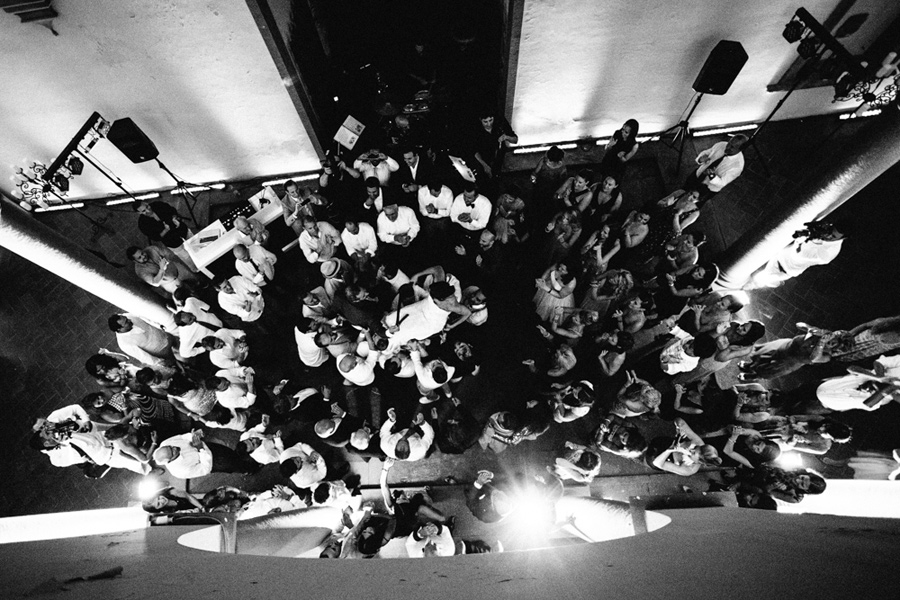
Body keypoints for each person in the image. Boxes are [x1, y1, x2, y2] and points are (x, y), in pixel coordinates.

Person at [749, 219, 851, 289]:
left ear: (843, 238)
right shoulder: (826, 228)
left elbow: (799, 254)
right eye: (829, 231)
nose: (828, 236)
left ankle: (759, 284)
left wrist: (806, 238)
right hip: (783, 254)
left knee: (762, 279)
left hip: (785, 268)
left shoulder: (826, 254)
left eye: (833, 236)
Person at [153, 429, 256, 479]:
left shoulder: (164, 443)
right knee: (234, 465)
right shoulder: (179, 471)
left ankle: (240, 457)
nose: (174, 447)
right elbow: (205, 469)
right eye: (173, 451)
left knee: (228, 452)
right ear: (169, 460)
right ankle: (250, 469)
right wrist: (200, 449)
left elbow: (181, 437)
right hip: (215, 462)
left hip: (209, 447)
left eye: (170, 447)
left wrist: (194, 436)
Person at [134, 199, 196, 271]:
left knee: (195, 244)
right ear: (139, 213)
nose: (148, 211)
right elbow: (156, 237)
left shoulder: (158, 205)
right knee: (185, 256)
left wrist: (175, 218)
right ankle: (195, 268)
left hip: (182, 229)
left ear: (146, 202)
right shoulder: (143, 224)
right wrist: (165, 230)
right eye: (144, 211)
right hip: (172, 241)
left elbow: (172, 210)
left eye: (147, 207)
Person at [685, 134, 748, 202]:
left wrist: (712, 175)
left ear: (740, 149)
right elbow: (707, 152)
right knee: (683, 191)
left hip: (707, 189)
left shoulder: (738, 166)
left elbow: (722, 182)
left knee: (691, 205)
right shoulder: (722, 144)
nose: (727, 147)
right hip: (697, 175)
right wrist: (700, 159)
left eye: (732, 147)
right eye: (729, 143)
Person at [107, 313, 174, 367]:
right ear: (119, 329)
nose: (129, 320)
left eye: (127, 319)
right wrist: (159, 362)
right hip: (163, 350)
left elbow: (145, 317)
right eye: (126, 322)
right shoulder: (124, 344)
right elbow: (142, 356)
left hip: (166, 334)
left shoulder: (128, 316)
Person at [127, 245, 195, 295]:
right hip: (170, 284)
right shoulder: (140, 271)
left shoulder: (152, 249)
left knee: (195, 279)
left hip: (178, 269)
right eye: (139, 258)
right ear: (135, 261)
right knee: (186, 295)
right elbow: (155, 282)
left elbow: (169, 253)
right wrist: (162, 269)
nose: (143, 256)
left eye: (142, 253)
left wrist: (166, 260)